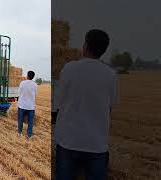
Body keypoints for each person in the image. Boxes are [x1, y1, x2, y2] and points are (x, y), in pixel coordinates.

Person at [54, 29, 119, 180]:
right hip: (97, 145)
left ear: (85, 45)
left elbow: (60, 102)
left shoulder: (69, 68)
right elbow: (109, 108)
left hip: (68, 141)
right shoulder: (111, 75)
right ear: (103, 50)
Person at [17, 71, 37, 139]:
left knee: (20, 120)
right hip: (31, 107)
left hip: (22, 105)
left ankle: (19, 133)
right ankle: (29, 135)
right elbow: (35, 95)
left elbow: (19, 93)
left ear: (27, 76)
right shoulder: (35, 85)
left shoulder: (22, 83)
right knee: (30, 122)